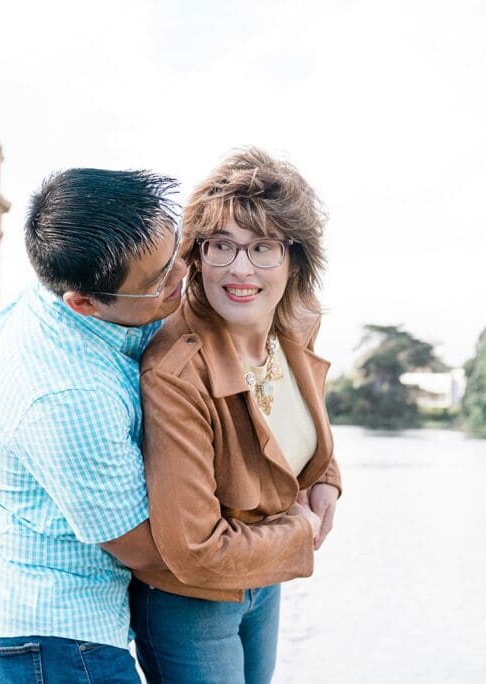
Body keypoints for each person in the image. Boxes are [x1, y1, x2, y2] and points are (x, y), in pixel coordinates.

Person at [0, 168, 188, 682]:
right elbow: (140, 547)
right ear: (83, 302)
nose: (182, 276)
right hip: (55, 641)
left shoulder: (52, 286)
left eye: (175, 248)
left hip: (4, 603)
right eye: (159, 281)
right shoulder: (70, 396)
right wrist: (263, 549)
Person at [129, 147, 343, 684]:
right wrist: (302, 530)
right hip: (192, 601)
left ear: (292, 257)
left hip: (264, 579)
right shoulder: (177, 371)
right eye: (221, 245)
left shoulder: (295, 326)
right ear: (196, 256)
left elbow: (304, 433)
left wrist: (327, 482)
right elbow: (195, 550)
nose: (240, 269)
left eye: (262, 247)